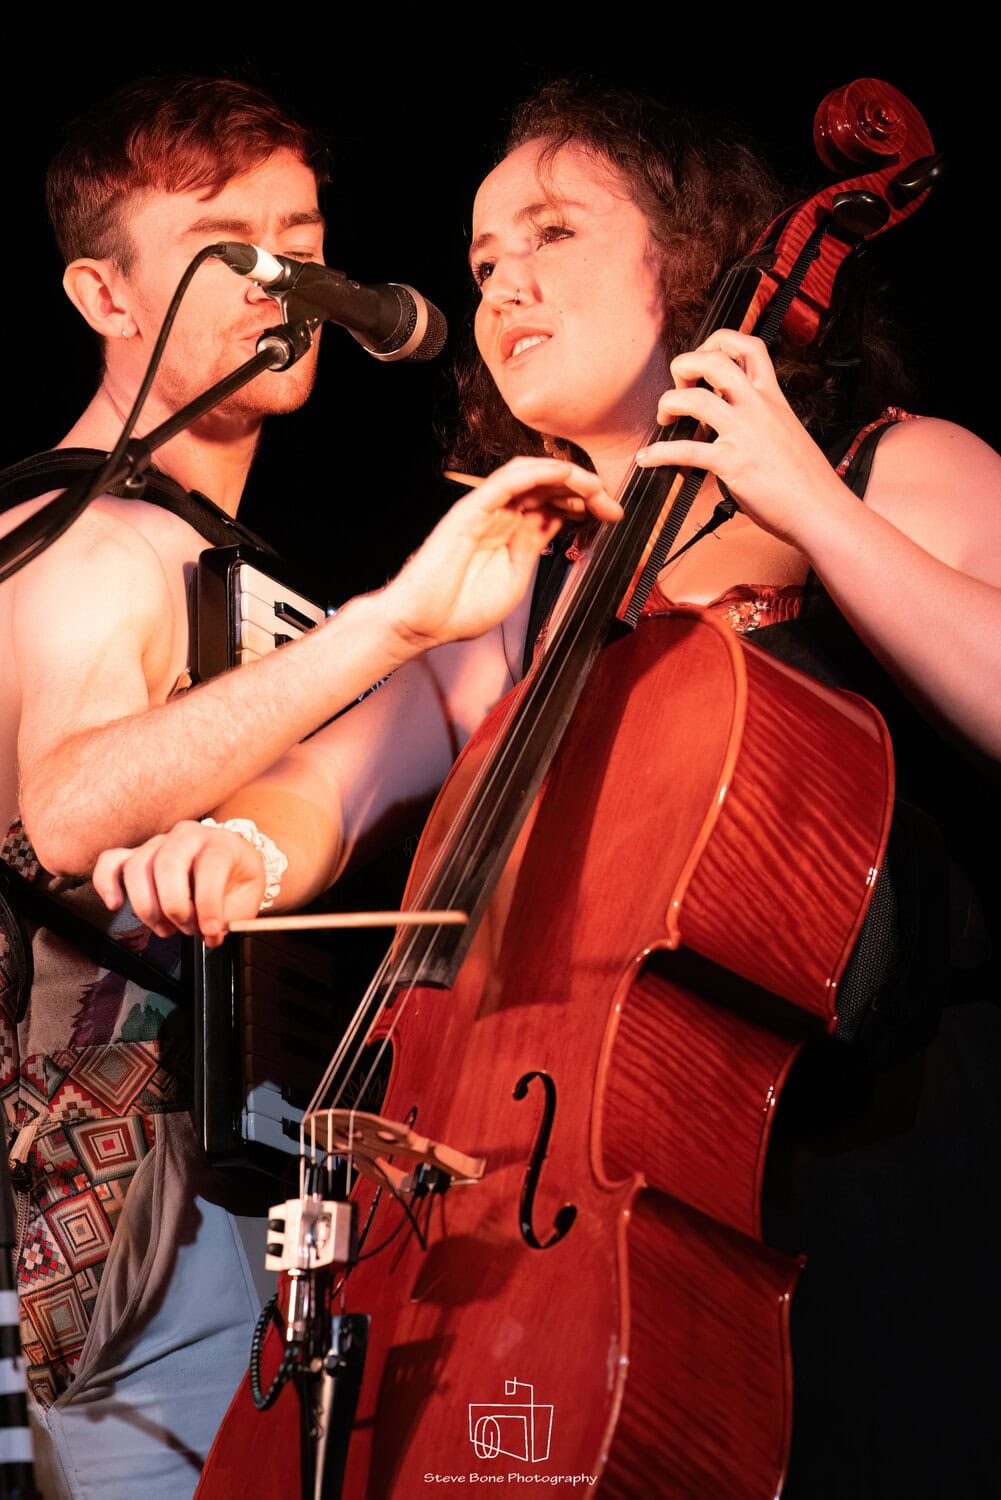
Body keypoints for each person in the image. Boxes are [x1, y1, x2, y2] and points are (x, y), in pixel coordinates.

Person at [96, 84, 1001, 1497]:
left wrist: (809, 504)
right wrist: (237, 852)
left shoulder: (891, 467)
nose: (501, 284)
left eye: (552, 233)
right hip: (574, 1196)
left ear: (686, 259)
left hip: (867, 1162)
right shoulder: (524, 585)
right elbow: (332, 784)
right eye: (480, 262)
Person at [0, 73, 617, 1498]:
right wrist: (390, 626)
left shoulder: (204, 547)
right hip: (136, 1220)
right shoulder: (90, 540)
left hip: (235, 1186)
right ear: (103, 294)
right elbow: (65, 816)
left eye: (302, 242)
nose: (282, 283)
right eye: (226, 247)